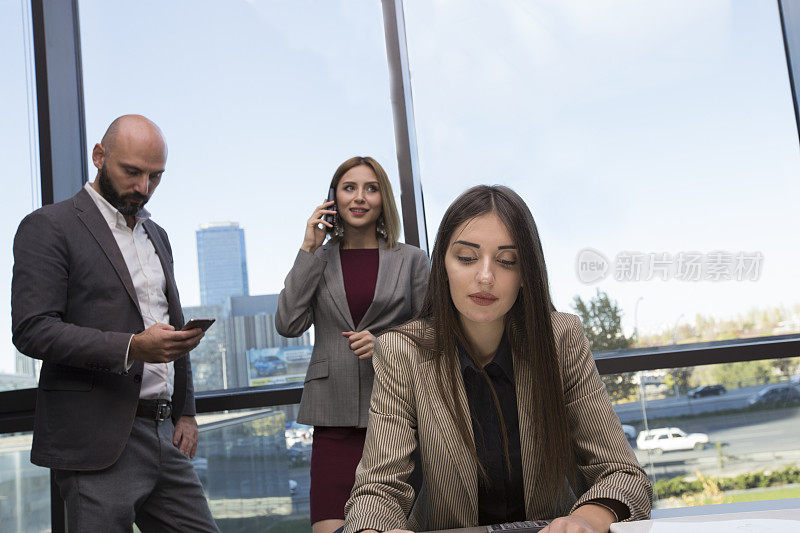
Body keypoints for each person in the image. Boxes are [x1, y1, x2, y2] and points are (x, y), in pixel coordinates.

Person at [343, 185, 652, 533]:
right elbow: (377, 490)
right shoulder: (402, 352)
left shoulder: (560, 339)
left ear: (526, 275)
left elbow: (623, 473)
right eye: (466, 257)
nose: (486, 277)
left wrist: (585, 520)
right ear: (443, 266)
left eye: (507, 261)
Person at [11, 115, 219, 532]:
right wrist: (131, 347)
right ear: (99, 156)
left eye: (155, 177)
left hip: (164, 434)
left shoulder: (156, 234)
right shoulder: (49, 226)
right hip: (96, 441)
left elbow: (171, 329)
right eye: (132, 172)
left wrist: (187, 412)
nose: (143, 187)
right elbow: (32, 329)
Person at [275, 156, 429, 533]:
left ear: (383, 199)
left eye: (371, 188)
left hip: (398, 421)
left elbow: (436, 332)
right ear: (334, 198)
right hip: (333, 423)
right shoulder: (318, 259)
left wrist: (387, 346)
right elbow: (288, 323)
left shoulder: (412, 260)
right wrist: (309, 248)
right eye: (349, 188)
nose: (359, 197)